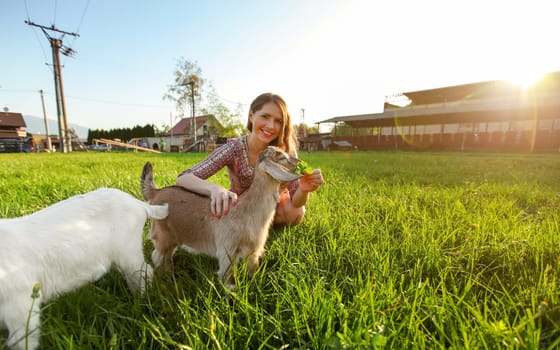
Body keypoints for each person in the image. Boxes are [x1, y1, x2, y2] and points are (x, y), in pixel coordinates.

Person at [176, 92, 324, 226]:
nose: (271, 126)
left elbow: (297, 202)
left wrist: (304, 189)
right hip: (241, 212)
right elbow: (184, 178)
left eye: (278, 121)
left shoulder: (285, 151)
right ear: (251, 115)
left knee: (294, 213)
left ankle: (264, 228)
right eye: (265, 117)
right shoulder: (234, 149)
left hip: (271, 209)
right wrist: (215, 189)